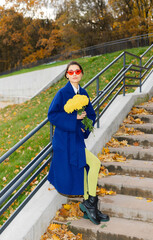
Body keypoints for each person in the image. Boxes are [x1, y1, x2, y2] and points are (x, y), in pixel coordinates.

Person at [47, 61, 110, 225]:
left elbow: (91, 115)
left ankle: (90, 205)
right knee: (93, 164)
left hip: (77, 139)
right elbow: (52, 115)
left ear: (81, 74)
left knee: (89, 166)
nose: (74, 74)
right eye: (71, 72)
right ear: (67, 75)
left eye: (77, 71)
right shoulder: (61, 93)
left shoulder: (84, 93)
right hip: (64, 140)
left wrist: (85, 128)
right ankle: (90, 204)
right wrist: (73, 118)